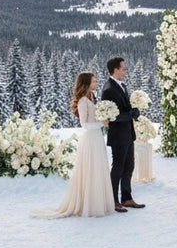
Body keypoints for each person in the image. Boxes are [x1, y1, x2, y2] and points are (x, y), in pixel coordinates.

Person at [31, 72, 116, 218]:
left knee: (98, 169)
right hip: (90, 139)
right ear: (86, 83)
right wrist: (101, 123)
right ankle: (89, 205)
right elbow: (84, 124)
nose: (96, 84)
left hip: (97, 138)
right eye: (94, 82)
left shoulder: (92, 97)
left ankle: (98, 203)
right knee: (91, 170)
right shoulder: (83, 101)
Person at [103, 56, 145, 208]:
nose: (125, 71)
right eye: (123, 68)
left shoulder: (122, 86)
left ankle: (127, 198)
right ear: (115, 70)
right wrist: (130, 114)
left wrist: (134, 109)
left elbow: (124, 107)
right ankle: (113, 200)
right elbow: (111, 116)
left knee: (129, 166)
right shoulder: (108, 89)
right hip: (118, 135)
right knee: (118, 167)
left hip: (127, 133)